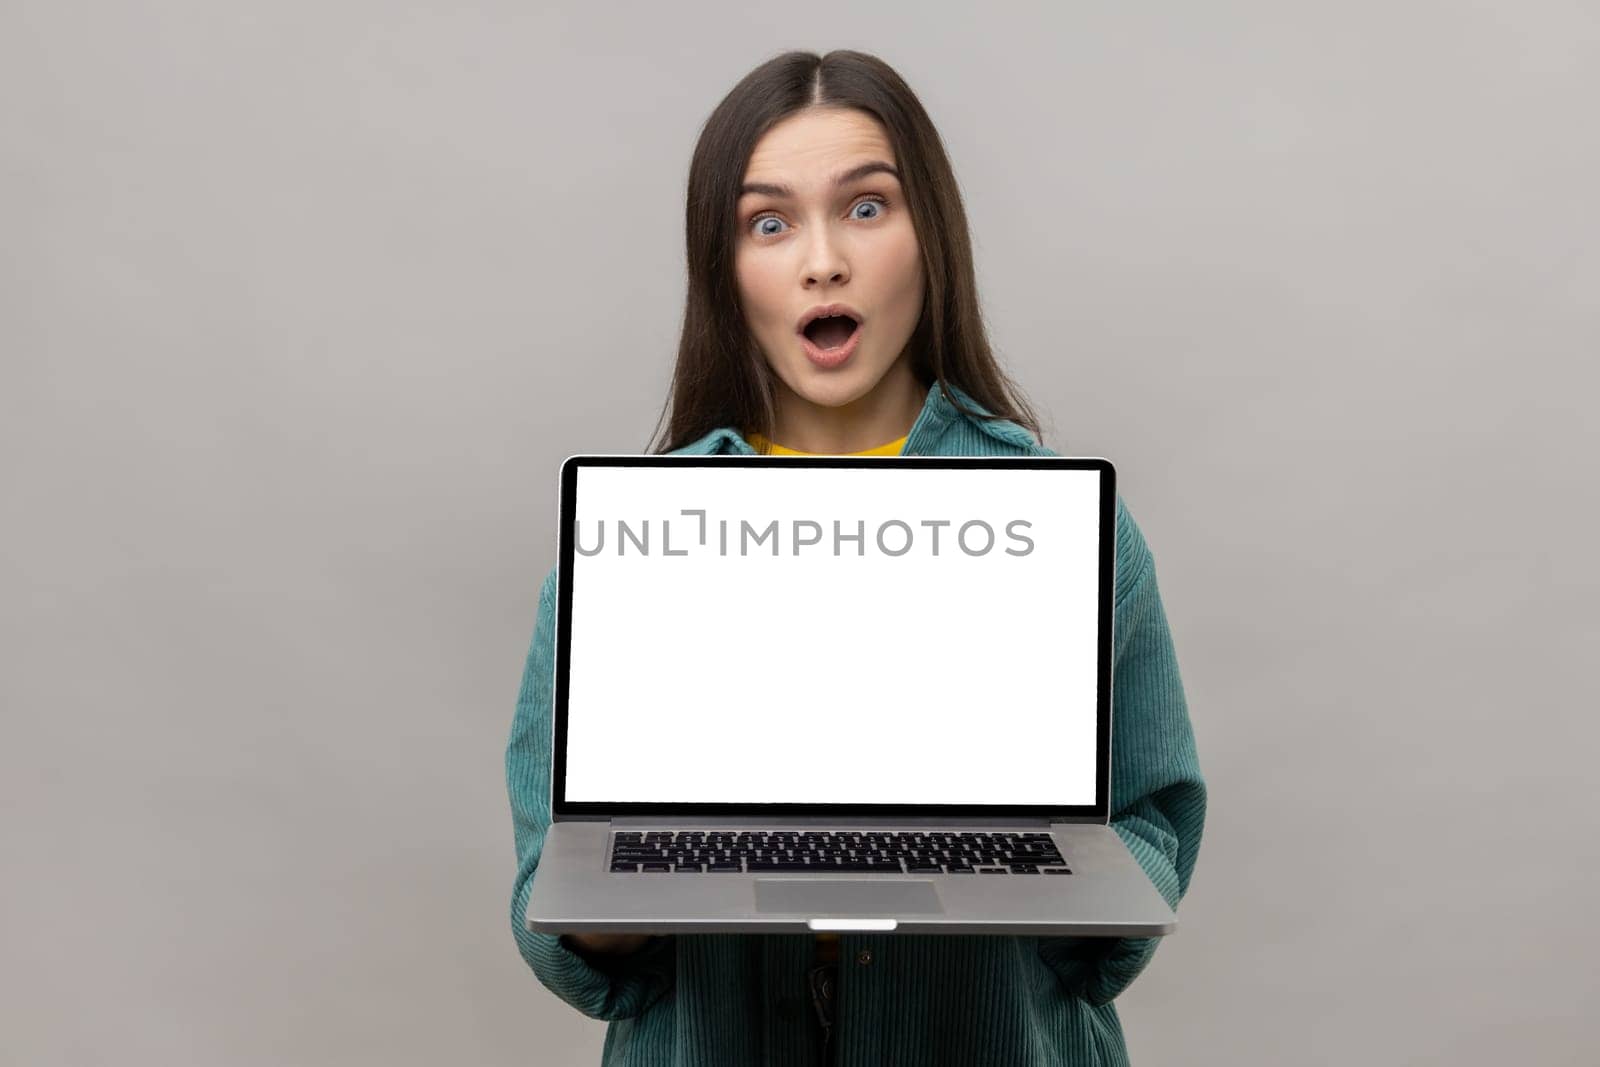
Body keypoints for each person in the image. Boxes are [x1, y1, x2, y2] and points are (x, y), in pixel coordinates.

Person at [506, 49, 1207, 1067]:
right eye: (769, 221)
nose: (820, 260)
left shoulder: (1070, 532)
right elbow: (551, 897)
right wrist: (623, 884)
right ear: (724, 264)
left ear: (932, 235)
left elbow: (1152, 820)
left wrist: (1047, 869)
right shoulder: (632, 547)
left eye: (867, 208)